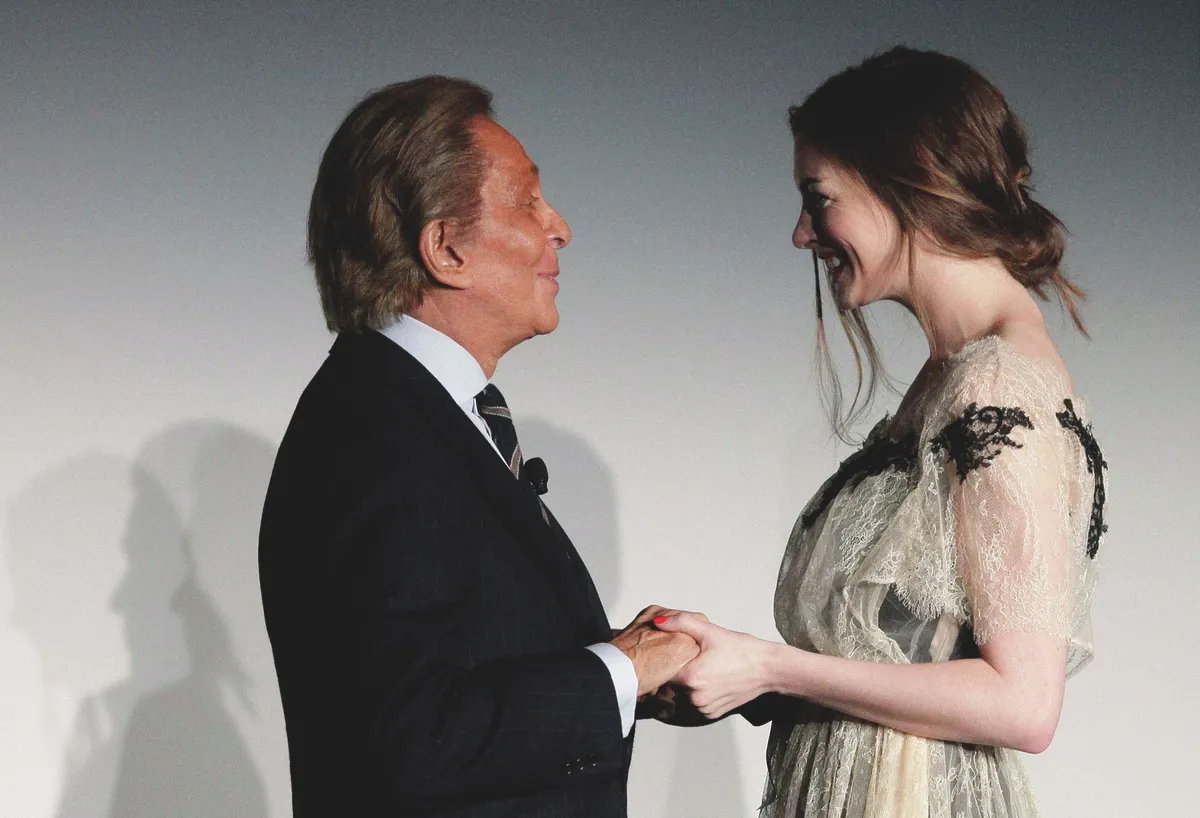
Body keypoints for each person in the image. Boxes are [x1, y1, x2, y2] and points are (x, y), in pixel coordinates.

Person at [655, 47, 1106, 816]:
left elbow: (1023, 704)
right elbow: (920, 651)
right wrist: (747, 677)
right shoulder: (957, 377)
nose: (803, 234)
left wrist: (772, 668)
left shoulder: (997, 385)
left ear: (909, 181)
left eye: (818, 196)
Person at [258, 76, 698, 817]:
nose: (559, 227)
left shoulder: (414, 413)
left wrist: (630, 675)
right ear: (444, 249)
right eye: (528, 201)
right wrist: (616, 671)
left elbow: (464, 677)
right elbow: (412, 738)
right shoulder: (376, 433)